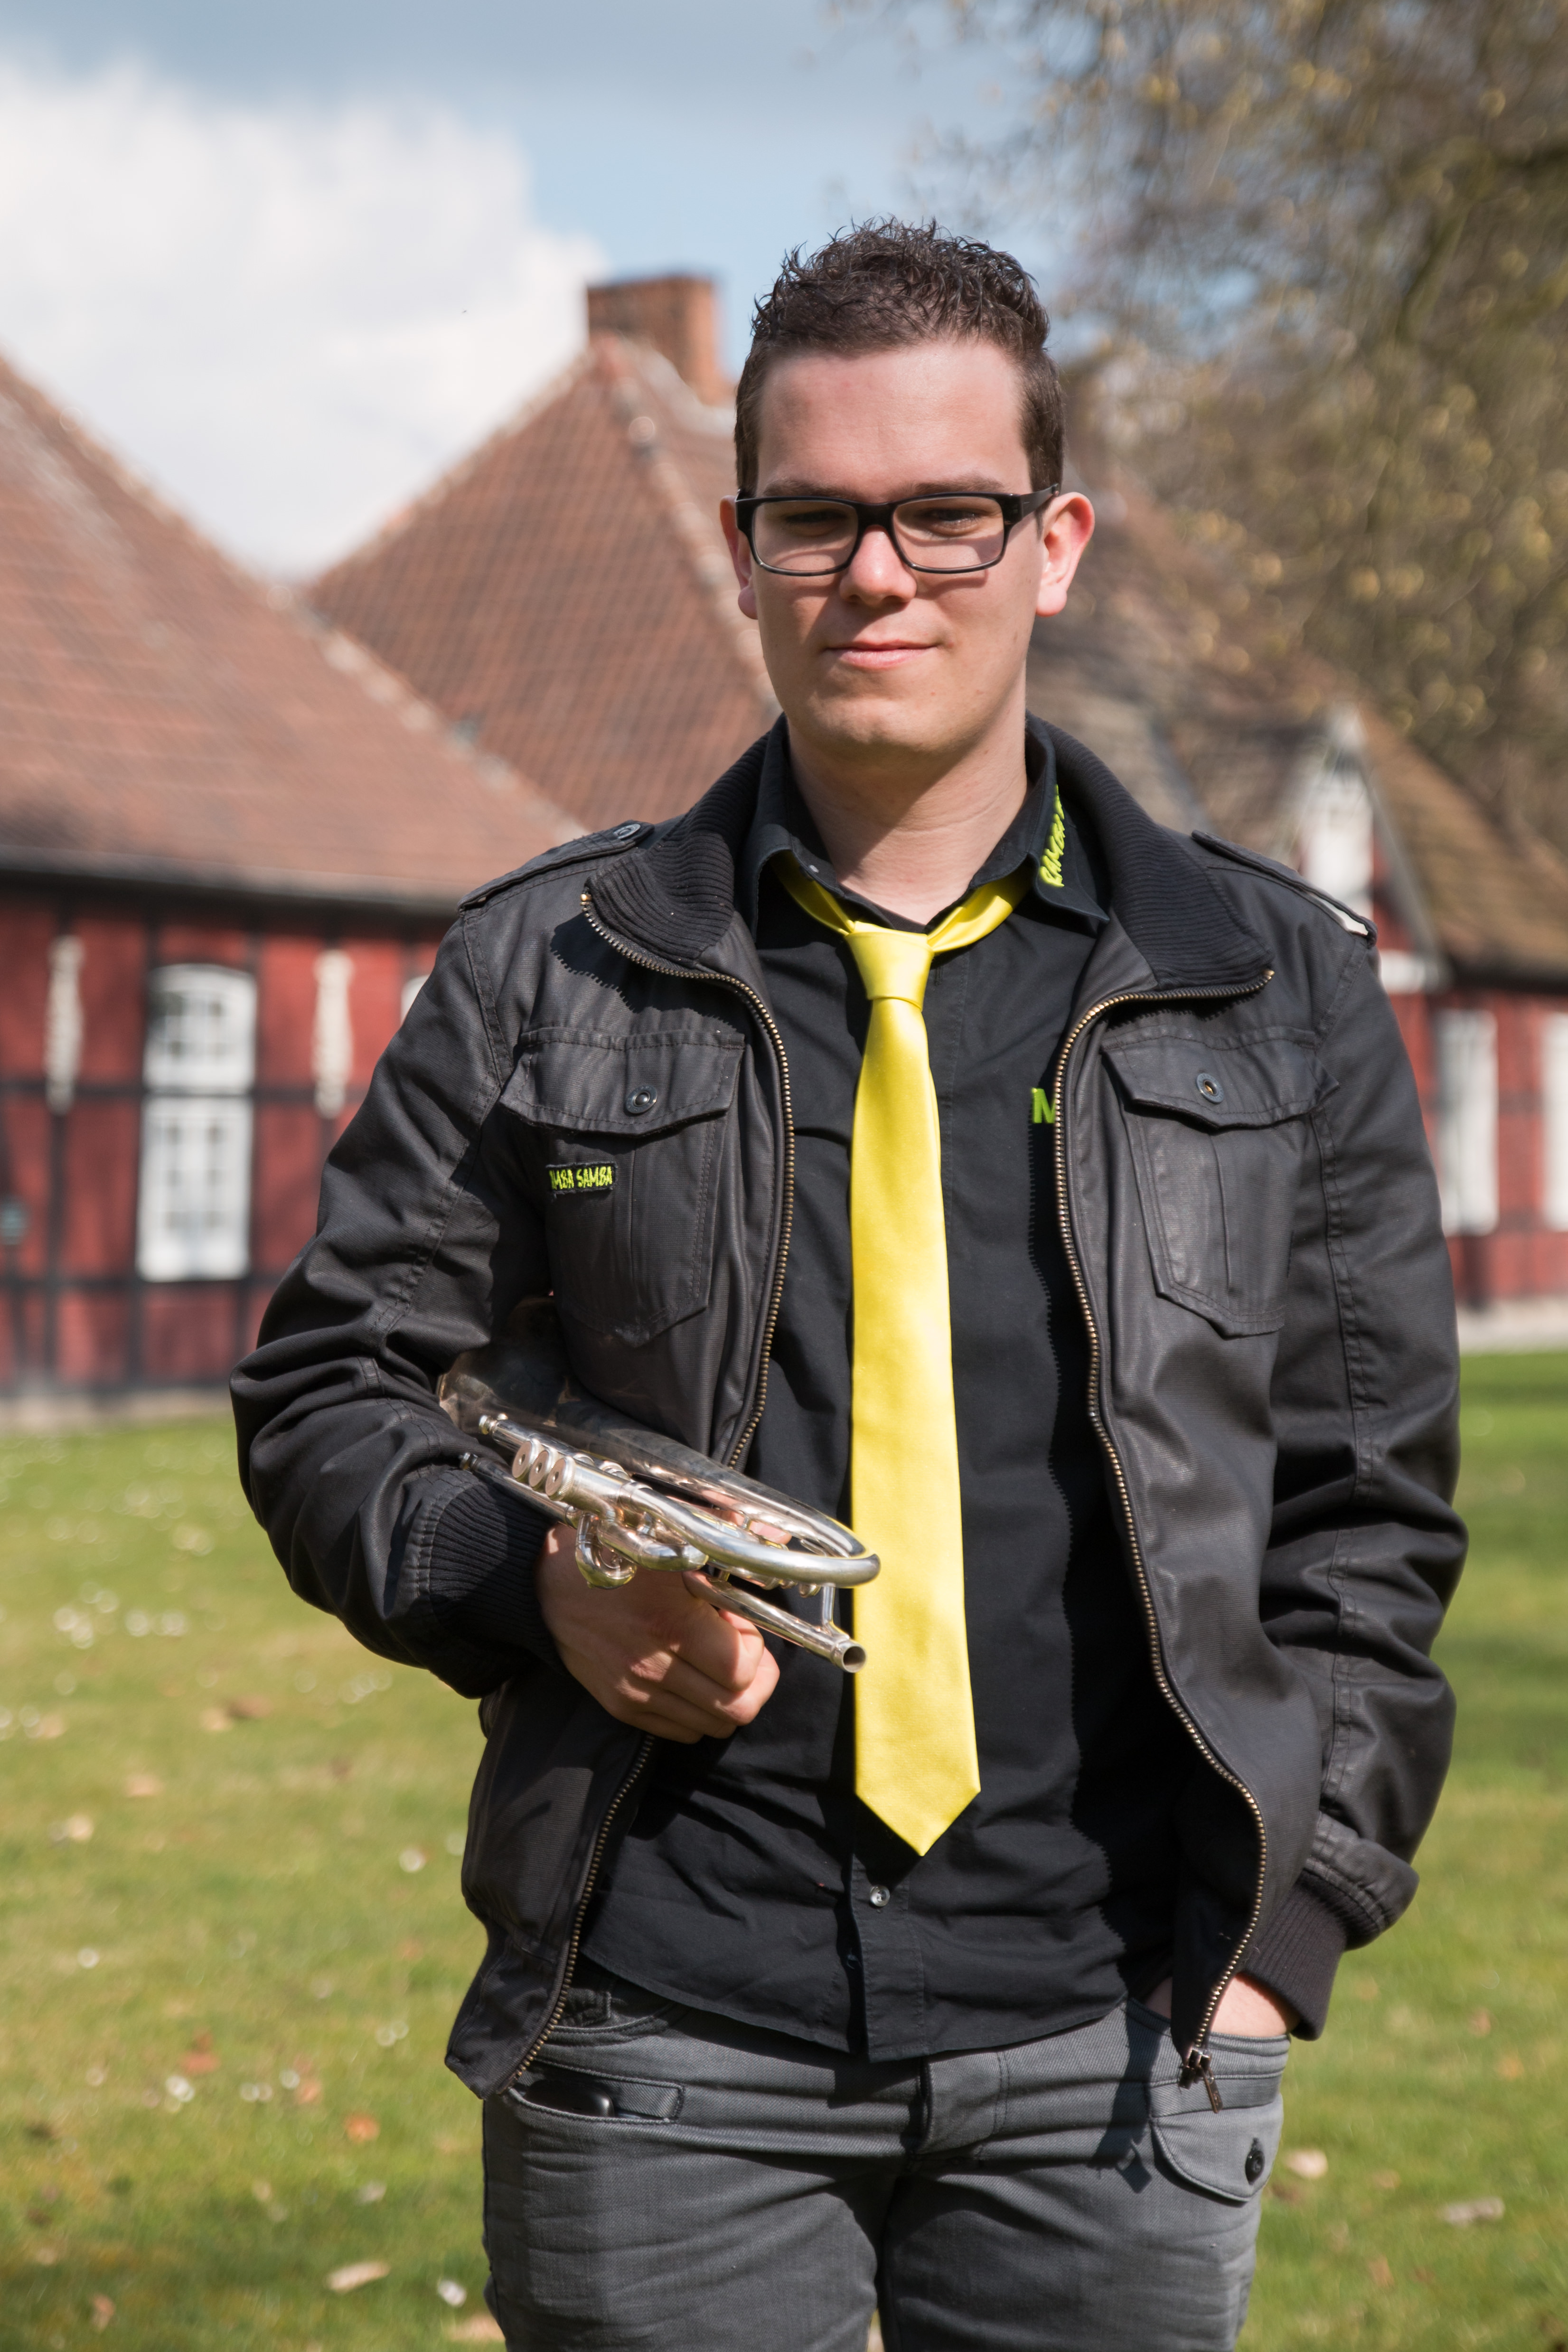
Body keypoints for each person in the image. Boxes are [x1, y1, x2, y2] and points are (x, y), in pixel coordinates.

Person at [234, 221, 1465, 2352]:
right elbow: (329, 1389)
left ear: (1053, 547)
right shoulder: (546, 967)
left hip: (1121, 2047)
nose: (878, 573)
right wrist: (531, 1583)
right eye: (814, 518)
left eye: (946, 513)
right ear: (743, 551)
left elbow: (1369, 1515)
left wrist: (1286, 1936)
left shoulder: (1278, 989)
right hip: (664, 2031)